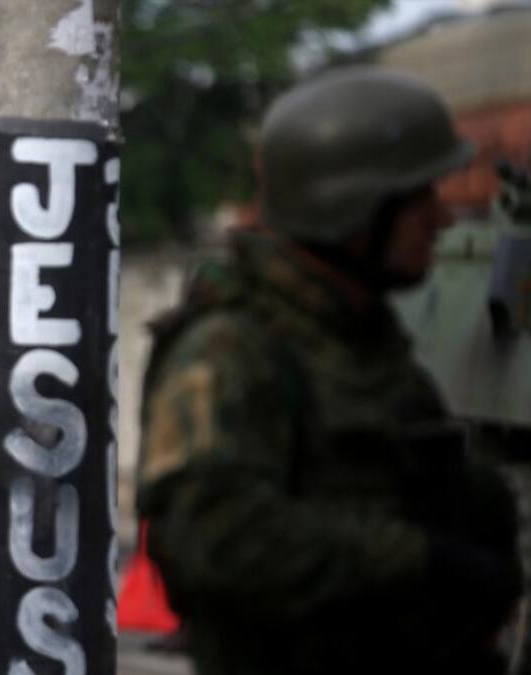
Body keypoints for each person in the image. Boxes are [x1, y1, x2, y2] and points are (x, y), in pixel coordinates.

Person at [135, 66, 521, 675]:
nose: (442, 220)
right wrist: (420, 558)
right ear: (356, 209)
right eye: (419, 198)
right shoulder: (232, 348)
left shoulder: (362, 344)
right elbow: (214, 541)